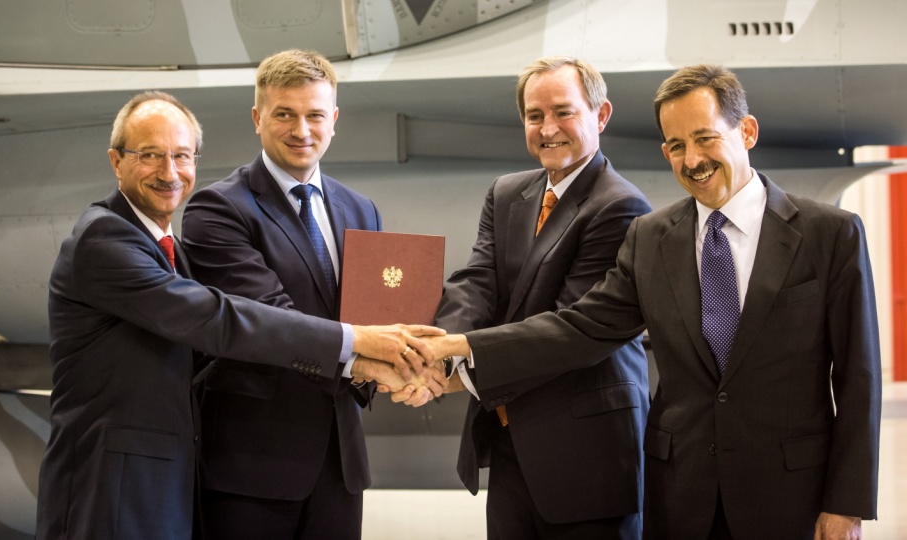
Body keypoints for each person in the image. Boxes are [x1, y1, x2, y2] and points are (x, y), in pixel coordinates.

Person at [424, 64, 881, 539]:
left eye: (705, 138)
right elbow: (580, 328)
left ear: (746, 131)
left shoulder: (831, 234)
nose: (692, 159)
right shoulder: (652, 238)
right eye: (677, 146)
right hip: (681, 500)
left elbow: (858, 380)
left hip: (791, 498)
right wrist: (458, 348)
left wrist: (846, 504)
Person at [36, 90, 440, 540]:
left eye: (182, 156)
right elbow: (218, 319)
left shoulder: (165, 250)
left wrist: (391, 366)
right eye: (150, 155)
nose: (170, 172)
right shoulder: (104, 239)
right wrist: (360, 346)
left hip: (169, 477)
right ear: (116, 161)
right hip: (112, 482)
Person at [180, 49, 442, 540]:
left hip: (339, 467)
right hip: (250, 468)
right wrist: (370, 359)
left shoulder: (361, 210)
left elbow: (374, 317)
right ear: (257, 118)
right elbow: (266, 321)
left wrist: (402, 372)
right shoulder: (216, 210)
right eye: (284, 114)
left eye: (315, 115)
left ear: (334, 119)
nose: (302, 130)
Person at [432, 56, 651, 539]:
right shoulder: (507, 193)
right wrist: (435, 347)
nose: (548, 128)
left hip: (587, 454)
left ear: (601, 115)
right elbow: (477, 280)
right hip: (513, 439)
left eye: (563, 112)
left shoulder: (621, 206)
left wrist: (457, 359)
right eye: (535, 116)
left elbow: (570, 329)